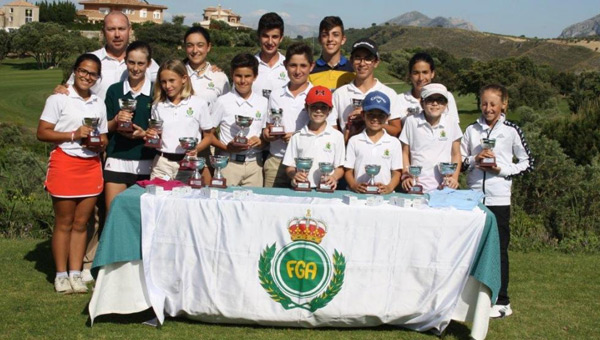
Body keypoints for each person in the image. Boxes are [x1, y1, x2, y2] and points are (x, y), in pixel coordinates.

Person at [460, 84, 534, 318]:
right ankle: (472, 298)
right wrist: (475, 158)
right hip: (474, 196)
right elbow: (460, 161)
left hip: (499, 198)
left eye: (493, 104)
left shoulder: (511, 130)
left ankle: (502, 301)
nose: (488, 108)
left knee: (499, 249)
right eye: (484, 103)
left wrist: (501, 169)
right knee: (472, 248)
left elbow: (527, 163)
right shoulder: (472, 129)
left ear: (504, 104)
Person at [37, 54, 108, 294]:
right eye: (83, 71)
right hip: (65, 162)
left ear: (98, 77)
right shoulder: (59, 98)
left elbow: (104, 136)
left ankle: (76, 273)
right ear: (75, 71)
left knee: (81, 223)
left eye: (93, 73)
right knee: (64, 222)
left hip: (90, 164)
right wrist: (73, 135)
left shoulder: (99, 102)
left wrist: (99, 144)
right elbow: (43, 132)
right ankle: (60, 274)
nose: (87, 76)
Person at [103, 41, 156, 214]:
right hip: (116, 160)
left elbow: (161, 130)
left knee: (141, 218)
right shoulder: (114, 90)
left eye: (141, 63)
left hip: (146, 162)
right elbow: (106, 126)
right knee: (113, 216)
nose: (135, 68)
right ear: (126, 62)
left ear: (148, 64)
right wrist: (117, 120)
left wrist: (143, 134)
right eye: (131, 62)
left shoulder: (157, 92)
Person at [147, 59, 212, 183]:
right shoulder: (157, 105)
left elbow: (208, 136)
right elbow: (157, 135)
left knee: (186, 201)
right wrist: (151, 135)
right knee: (158, 201)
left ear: (183, 79)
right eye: (163, 82)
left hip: (188, 163)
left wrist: (196, 149)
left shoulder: (199, 103)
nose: (167, 86)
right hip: (161, 164)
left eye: (172, 80)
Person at [211, 53, 268, 187]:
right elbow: (209, 134)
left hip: (255, 165)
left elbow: (266, 135)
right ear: (232, 74)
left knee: (252, 206)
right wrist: (226, 147)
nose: (243, 81)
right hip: (229, 165)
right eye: (238, 76)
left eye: (247, 76)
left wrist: (262, 141)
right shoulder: (222, 101)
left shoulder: (263, 102)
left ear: (255, 76)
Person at [263, 43, 315, 188]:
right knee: (270, 207)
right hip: (276, 160)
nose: (298, 71)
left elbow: (327, 130)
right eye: (293, 65)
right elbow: (269, 127)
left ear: (311, 66)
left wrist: (297, 137)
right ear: (285, 65)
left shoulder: (316, 95)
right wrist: (268, 134)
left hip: (306, 164)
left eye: (303, 66)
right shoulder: (275, 95)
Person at [332, 38, 402, 141]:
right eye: (357, 58)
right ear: (351, 61)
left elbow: (396, 131)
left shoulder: (389, 93)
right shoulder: (339, 94)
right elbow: (332, 133)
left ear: (376, 62)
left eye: (368, 58)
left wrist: (370, 120)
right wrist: (350, 126)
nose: (362, 63)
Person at [400, 83, 462, 193]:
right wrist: (406, 176)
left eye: (440, 100)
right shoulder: (411, 121)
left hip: (444, 185)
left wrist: (454, 177)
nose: (435, 104)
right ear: (422, 102)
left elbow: (456, 153)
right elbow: (405, 152)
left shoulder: (451, 122)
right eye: (430, 100)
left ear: (446, 104)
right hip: (416, 184)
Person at [283, 86, 345, 189]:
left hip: (327, 189)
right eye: (314, 107)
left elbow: (340, 167)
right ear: (306, 107)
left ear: (330, 109)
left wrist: (333, 177)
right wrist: (294, 175)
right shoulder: (297, 136)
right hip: (301, 188)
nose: (318, 111)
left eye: (323, 107)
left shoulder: (337, 136)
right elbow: (289, 166)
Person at [345, 91, 402, 195]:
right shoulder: (354, 140)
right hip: (358, 194)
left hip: (384, 195)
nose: (375, 119)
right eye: (371, 114)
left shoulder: (394, 143)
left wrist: (389, 187)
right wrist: (353, 185)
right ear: (363, 115)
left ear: (388, 117)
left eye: (381, 115)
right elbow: (348, 170)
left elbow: (397, 172)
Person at [398, 52, 459, 123]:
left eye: (425, 72)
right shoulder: (399, 100)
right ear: (410, 75)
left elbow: (454, 126)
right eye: (416, 73)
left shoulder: (446, 96)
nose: (420, 78)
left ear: (432, 74)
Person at [183, 26, 230, 106]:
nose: (195, 50)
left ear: (208, 47)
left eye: (200, 45)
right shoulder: (176, 74)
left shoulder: (220, 77)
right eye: (190, 45)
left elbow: (226, 109)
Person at [309, 16, 355, 91]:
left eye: (335, 35)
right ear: (320, 40)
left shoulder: (353, 70)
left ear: (343, 39)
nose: (330, 39)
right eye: (325, 35)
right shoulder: (310, 71)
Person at [252, 12, 288, 99]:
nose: (270, 42)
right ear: (258, 36)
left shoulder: (289, 67)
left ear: (281, 38)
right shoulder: (249, 64)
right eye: (265, 36)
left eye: (274, 37)